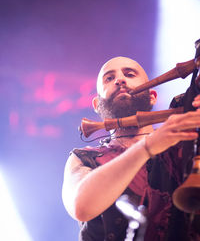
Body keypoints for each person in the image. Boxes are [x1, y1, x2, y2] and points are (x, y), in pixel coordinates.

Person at [62, 56, 200, 241]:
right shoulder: (84, 158)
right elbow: (81, 206)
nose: (120, 80)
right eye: (109, 78)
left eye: (129, 74)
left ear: (152, 96)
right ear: (97, 104)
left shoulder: (182, 146)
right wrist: (147, 147)